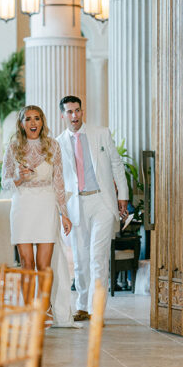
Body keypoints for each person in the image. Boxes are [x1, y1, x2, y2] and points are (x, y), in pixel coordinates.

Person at [56, 96, 128, 321]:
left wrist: (123, 195)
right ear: (63, 115)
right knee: (80, 258)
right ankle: (83, 306)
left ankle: (97, 311)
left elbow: (116, 163)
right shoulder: (57, 143)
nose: (75, 116)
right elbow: (57, 179)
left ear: (82, 111)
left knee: (98, 257)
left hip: (101, 202)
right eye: (70, 112)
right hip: (76, 204)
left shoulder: (101, 133)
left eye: (77, 111)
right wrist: (62, 210)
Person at [1, 106, 74, 324]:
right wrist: (19, 178)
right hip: (23, 205)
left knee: (44, 264)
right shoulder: (13, 148)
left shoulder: (53, 145)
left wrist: (65, 213)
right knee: (26, 262)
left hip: (46, 204)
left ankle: (44, 308)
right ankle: (27, 309)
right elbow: (4, 182)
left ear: (42, 122)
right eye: (28, 119)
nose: (33, 123)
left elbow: (59, 180)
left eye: (37, 118)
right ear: (21, 124)